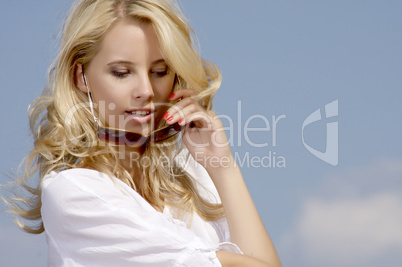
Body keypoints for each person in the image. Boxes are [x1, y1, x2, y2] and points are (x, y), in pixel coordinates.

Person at [5, 0, 281, 266]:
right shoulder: (75, 192)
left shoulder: (197, 178)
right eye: (123, 72)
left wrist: (222, 165)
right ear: (82, 77)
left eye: (159, 71)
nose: (146, 90)